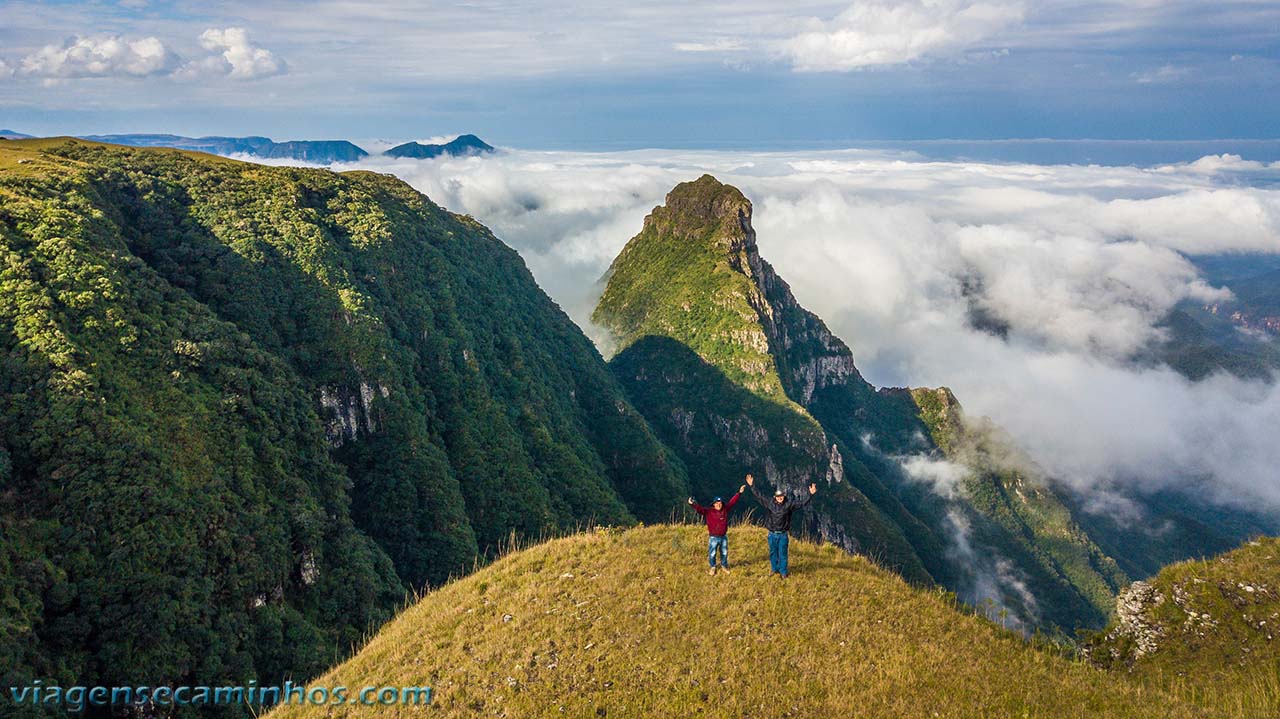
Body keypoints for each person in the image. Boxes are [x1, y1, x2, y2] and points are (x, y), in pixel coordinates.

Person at [746, 473, 816, 579]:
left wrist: (810, 495)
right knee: (773, 552)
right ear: (775, 497)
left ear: (784, 496)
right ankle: (775, 569)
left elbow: (801, 503)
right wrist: (752, 486)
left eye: (781, 496)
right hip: (772, 533)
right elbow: (759, 496)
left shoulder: (789, 505)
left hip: (783, 534)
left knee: (782, 554)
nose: (780, 498)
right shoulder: (770, 503)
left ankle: (783, 572)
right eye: (778, 497)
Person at [688, 485, 745, 575]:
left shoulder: (725, 510)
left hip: (723, 536)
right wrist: (692, 504)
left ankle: (724, 566)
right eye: (717, 503)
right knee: (712, 553)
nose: (719, 504)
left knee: (724, 553)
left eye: (720, 503)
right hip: (713, 537)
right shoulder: (709, 512)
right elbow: (700, 509)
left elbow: (732, 502)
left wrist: (739, 493)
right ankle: (713, 567)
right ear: (714, 504)